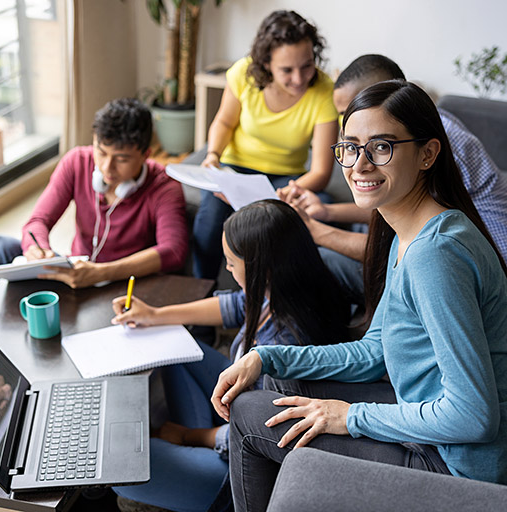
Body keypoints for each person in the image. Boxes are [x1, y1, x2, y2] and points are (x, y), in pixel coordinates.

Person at [211, 80, 507, 512]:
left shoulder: (433, 256)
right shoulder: (406, 233)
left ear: (428, 153)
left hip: (455, 465)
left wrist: (349, 417)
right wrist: (266, 355)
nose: (359, 165)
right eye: (350, 147)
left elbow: (474, 417)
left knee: (252, 415)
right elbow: (376, 351)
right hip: (430, 425)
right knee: (273, 381)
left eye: (381, 147)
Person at [111, 199, 350, 512]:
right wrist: (154, 315)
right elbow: (235, 305)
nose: (226, 268)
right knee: (171, 348)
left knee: (121, 466)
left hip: (243, 463)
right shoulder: (288, 286)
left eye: (231, 263)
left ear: (260, 269)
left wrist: (186, 436)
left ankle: (185, 472)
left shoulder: (288, 350)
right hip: (239, 401)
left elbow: (256, 432)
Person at [283, 54, 507, 308]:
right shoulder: (426, 125)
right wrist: (326, 212)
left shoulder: (434, 248)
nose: (358, 164)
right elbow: (395, 205)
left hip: (494, 264)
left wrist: (316, 231)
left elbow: (408, 242)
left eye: (380, 145)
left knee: (315, 259)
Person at [193, 10, 338, 280]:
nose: (299, 78)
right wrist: (213, 155)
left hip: (289, 178)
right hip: (236, 168)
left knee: (321, 209)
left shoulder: (324, 91)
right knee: (210, 219)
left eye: (307, 65)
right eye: (287, 70)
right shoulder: (243, 74)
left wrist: (274, 194)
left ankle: (291, 304)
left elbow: (320, 172)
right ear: (266, 63)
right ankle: (202, 300)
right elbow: (224, 123)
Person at [0, 98, 188, 288]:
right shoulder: (76, 162)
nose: (107, 168)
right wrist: (38, 250)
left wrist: (102, 272)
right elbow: (37, 222)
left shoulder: (165, 186)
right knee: (1, 246)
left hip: (124, 283)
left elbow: (173, 251)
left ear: (145, 155)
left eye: (121, 159)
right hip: (77, 273)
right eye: (101, 153)